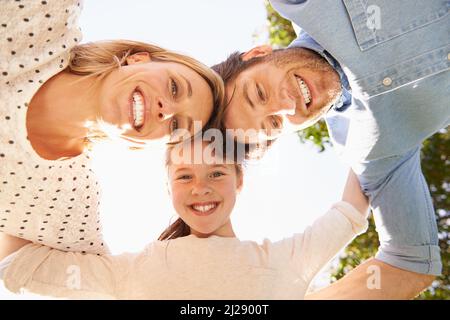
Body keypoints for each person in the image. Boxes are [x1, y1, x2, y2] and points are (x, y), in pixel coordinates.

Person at [211, 0, 449, 298]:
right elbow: (409, 264)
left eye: (259, 92)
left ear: (258, 54)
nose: (286, 105)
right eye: (273, 124)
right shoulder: (367, 147)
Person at [0, 137, 369, 299]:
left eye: (217, 173)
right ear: (168, 187)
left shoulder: (285, 260)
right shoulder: (136, 270)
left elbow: (351, 208)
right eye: (185, 176)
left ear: (240, 180)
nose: (201, 188)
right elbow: (19, 265)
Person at [0, 0, 224, 254]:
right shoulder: (45, 15)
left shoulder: (70, 200)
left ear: (145, 146)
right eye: (174, 87)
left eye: (175, 125)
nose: (167, 110)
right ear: (138, 59)